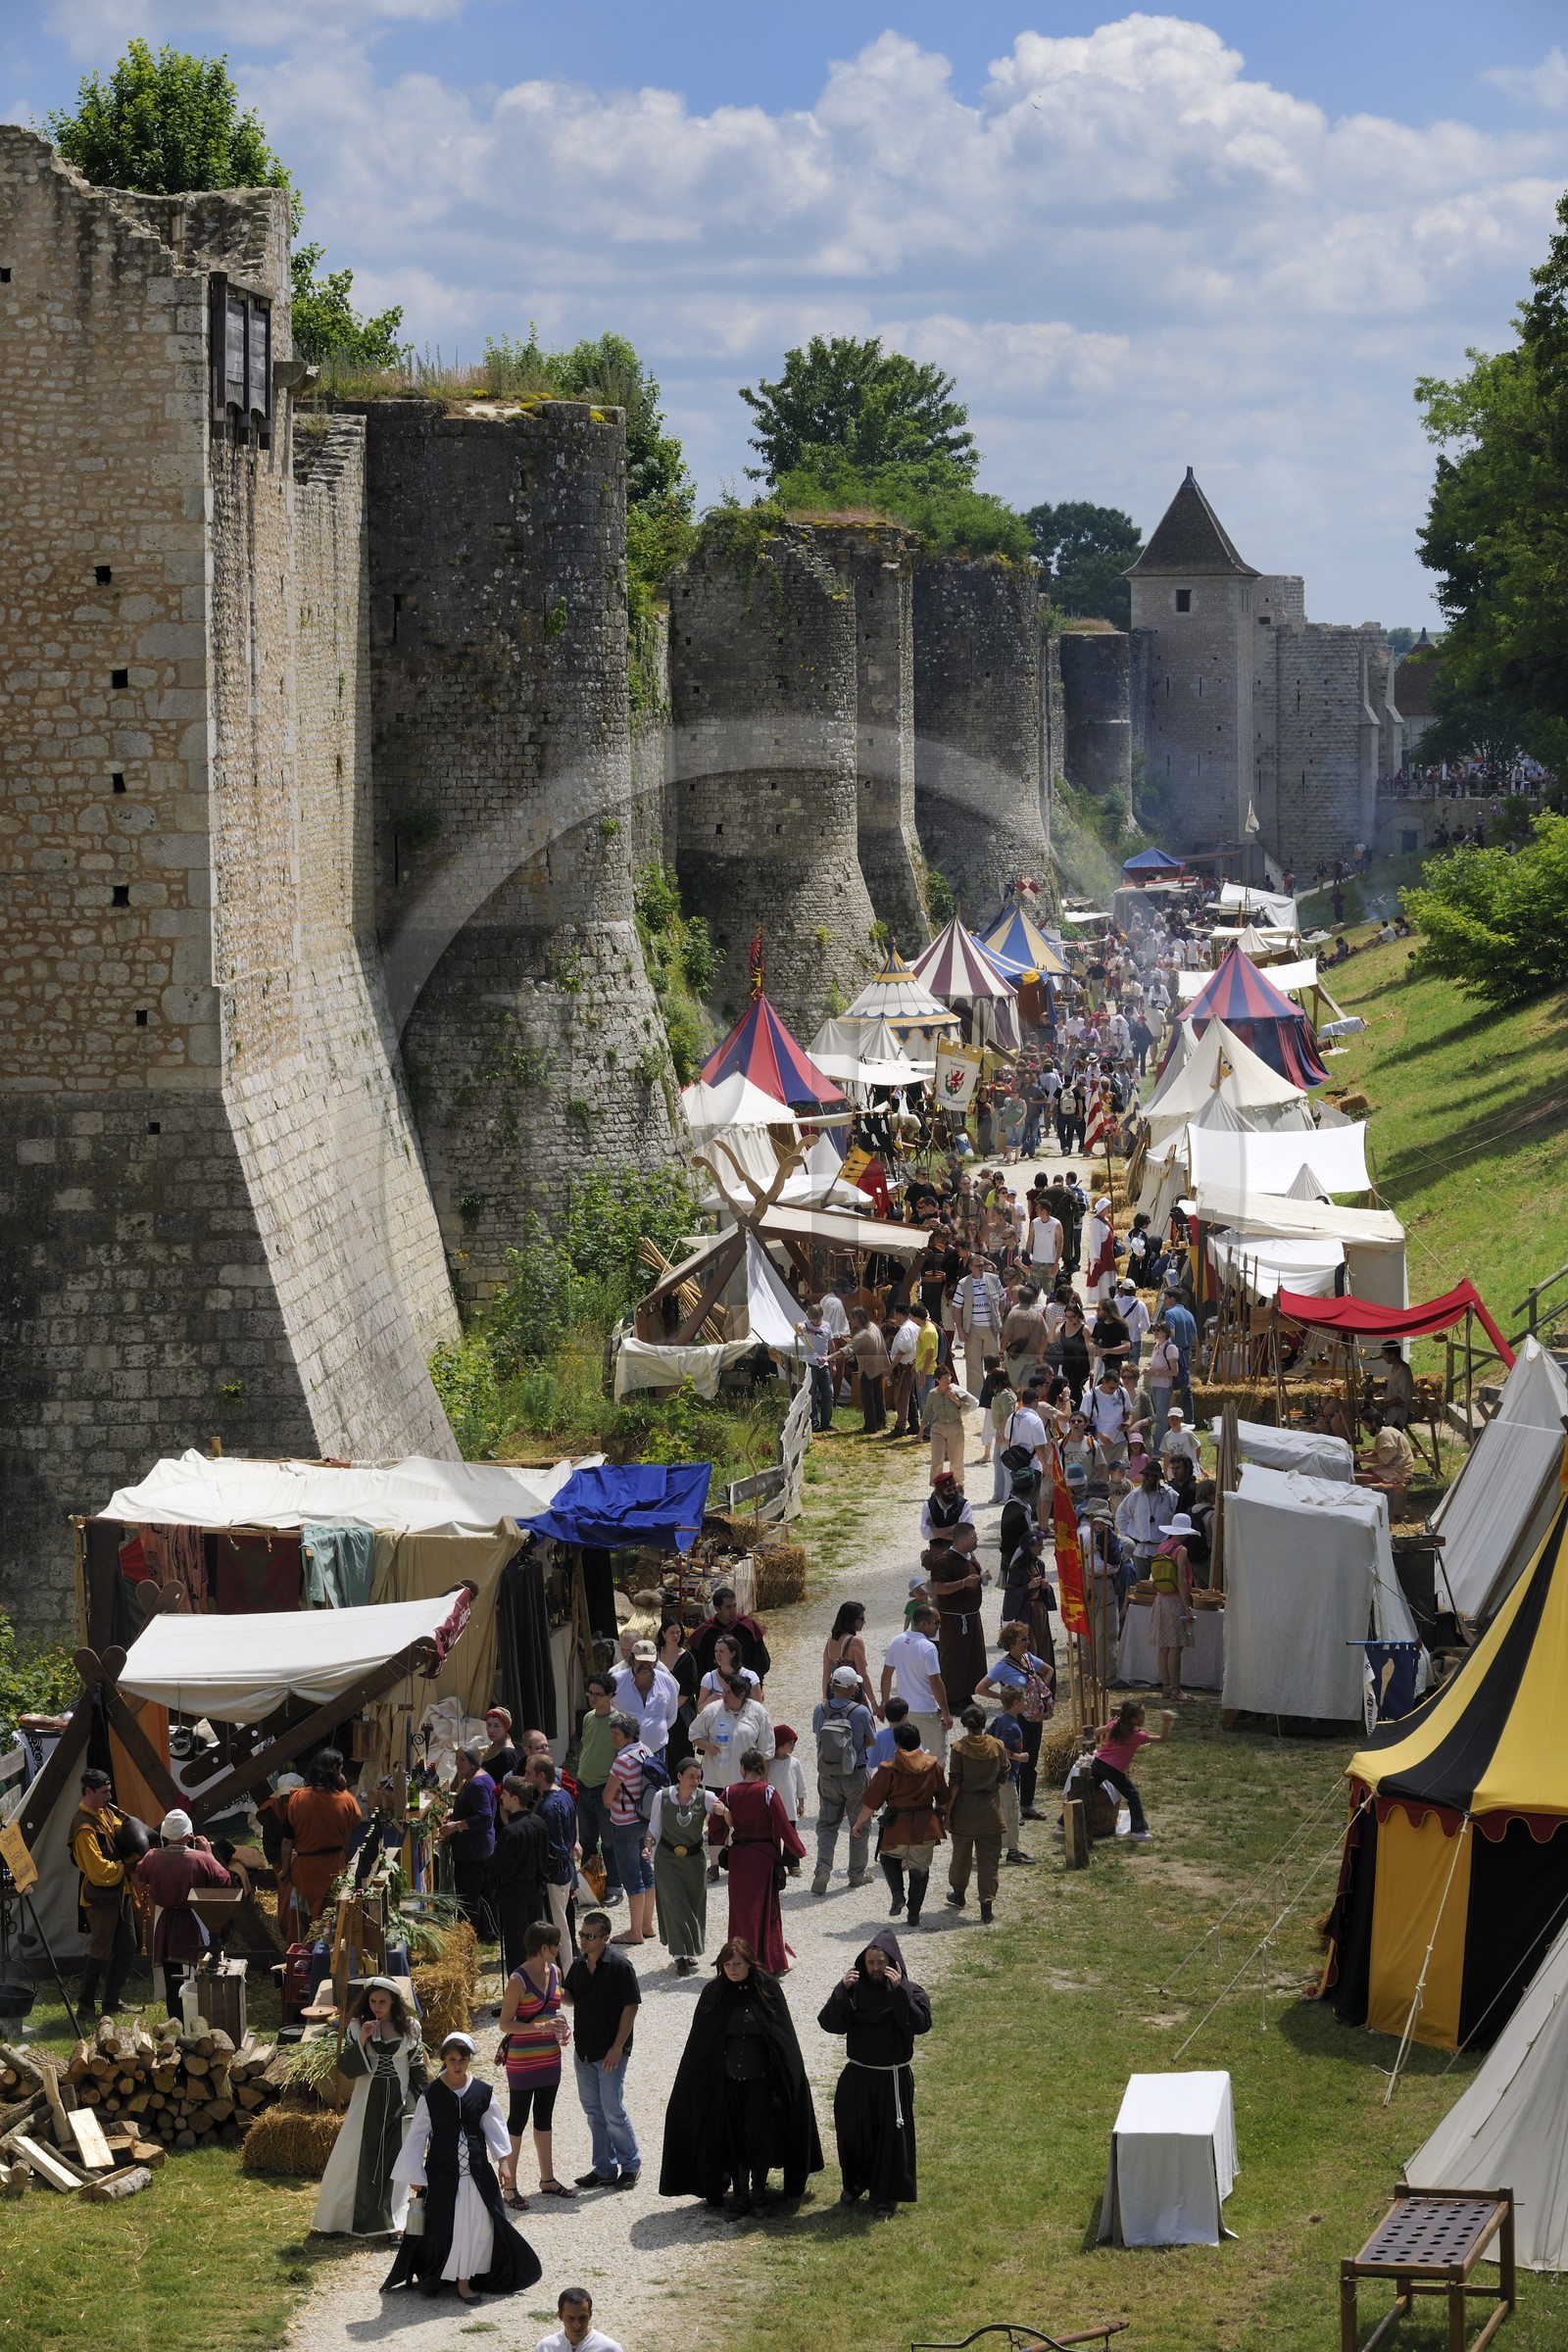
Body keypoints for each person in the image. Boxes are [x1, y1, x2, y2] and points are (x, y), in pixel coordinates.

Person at [659, 1936, 824, 2216]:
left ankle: (759, 2192)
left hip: (761, 2082)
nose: (732, 1969)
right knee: (732, 2139)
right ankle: (741, 2195)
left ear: (749, 1963)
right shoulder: (714, 1992)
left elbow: (783, 2038)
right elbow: (702, 2043)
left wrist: (787, 2080)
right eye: (727, 1964)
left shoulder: (768, 1990)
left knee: (758, 2137)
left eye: (737, 1964)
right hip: (726, 2083)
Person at [384, 2032, 542, 2301]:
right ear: (444, 2059)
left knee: (480, 2227)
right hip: (443, 2176)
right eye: (452, 2059)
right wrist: (414, 2173)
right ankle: (441, 2275)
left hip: (477, 2176)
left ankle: (465, 2280)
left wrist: (504, 2163)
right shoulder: (431, 2095)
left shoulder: (482, 2092)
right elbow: (417, 2136)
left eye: (463, 2060)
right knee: (445, 2228)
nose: (457, 2065)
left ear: (469, 2060)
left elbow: (496, 2130)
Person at [817, 1929, 932, 2218]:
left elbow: (919, 2025)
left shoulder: (911, 1991)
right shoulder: (853, 1990)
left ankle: (885, 2197)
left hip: (891, 2078)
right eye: (871, 1963)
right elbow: (830, 2024)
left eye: (881, 1962)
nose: (876, 1968)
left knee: (889, 2139)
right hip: (858, 2076)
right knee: (853, 2134)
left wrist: (900, 1995)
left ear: (893, 1963)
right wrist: (840, 1991)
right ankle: (856, 2184)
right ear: (863, 1964)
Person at [314, 1977, 427, 2235]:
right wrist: (363, 2039)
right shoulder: (357, 2026)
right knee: (354, 2154)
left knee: (396, 2157)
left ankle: (393, 2223)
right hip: (367, 2099)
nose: (378, 2006)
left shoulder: (411, 2027)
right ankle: (342, 2219)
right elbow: (347, 2068)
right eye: (374, 2001)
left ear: (393, 2003)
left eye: (383, 2002)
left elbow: (417, 2066)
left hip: (399, 2099)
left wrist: (426, 2101)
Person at [498, 1920, 574, 2209]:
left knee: (544, 2118)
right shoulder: (517, 1980)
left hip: (550, 2057)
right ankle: (510, 2187)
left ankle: (547, 2179)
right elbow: (505, 2024)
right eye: (556, 1945)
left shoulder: (554, 1972)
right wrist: (542, 2028)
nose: (560, 1948)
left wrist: (561, 2029)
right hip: (522, 2061)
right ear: (544, 1948)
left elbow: (555, 2010)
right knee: (517, 2120)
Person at [563, 1911, 642, 2189]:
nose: (583, 1940)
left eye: (589, 1936)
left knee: (612, 2109)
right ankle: (604, 2167)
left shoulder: (620, 1967)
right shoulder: (579, 1966)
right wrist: (551, 1987)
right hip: (583, 2051)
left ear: (605, 1938)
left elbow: (631, 2006)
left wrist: (617, 2047)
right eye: (581, 1935)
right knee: (594, 2111)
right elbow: (571, 1998)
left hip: (610, 2051)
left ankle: (631, 2165)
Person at [135, 1807, 231, 2016]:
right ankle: (196, 2019)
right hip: (193, 1919)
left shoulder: (152, 1857)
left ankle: (176, 2020)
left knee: (172, 1976)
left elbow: (141, 1871)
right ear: (189, 1835)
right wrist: (208, 1854)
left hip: (165, 1922)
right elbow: (224, 1880)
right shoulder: (200, 1859)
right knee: (197, 1973)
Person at [852, 1721, 948, 1928]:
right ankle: (914, 1914)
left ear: (897, 1745)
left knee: (887, 1856)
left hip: (897, 1827)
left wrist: (858, 1823)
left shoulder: (888, 1769)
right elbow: (944, 1797)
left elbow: (871, 1803)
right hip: (925, 1826)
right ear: (918, 1742)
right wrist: (942, 1817)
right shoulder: (933, 1765)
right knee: (920, 1869)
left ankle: (897, 1895)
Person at [723, 1747, 805, 1974]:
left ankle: (738, 1960)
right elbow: (781, 1823)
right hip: (762, 1857)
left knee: (741, 1911)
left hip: (739, 1857)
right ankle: (767, 1960)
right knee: (765, 1909)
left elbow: (716, 1826)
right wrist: (797, 1850)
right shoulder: (768, 1791)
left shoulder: (729, 1792)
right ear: (761, 1768)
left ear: (742, 1768)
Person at [69, 1767, 140, 2018]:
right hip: (100, 1898)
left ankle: (111, 2001)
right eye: (104, 1792)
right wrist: (127, 1866)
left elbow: (124, 1838)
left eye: (109, 1791)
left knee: (127, 1945)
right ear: (88, 1792)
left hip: (120, 1894)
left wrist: (138, 1839)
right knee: (100, 1950)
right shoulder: (83, 1826)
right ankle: (85, 2006)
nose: (109, 1796)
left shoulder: (106, 1813)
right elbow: (99, 1871)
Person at [693, 1675, 775, 1883]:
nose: (723, 1695)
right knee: (715, 1822)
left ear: (741, 1694)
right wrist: (708, 1746)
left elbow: (767, 1748)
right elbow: (694, 1733)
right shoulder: (713, 1710)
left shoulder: (758, 1711)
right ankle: (713, 1866)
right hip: (715, 1777)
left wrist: (762, 1780)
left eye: (729, 1692)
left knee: (743, 1821)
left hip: (746, 1780)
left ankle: (739, 1861)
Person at [649, 1756, 725, 1975]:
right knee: (675, 1904)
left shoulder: (706, 1797)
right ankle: (679, 1956)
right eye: (691, 1776)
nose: (695, 1781)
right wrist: (647, 1845)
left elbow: (726, 1812)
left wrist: (724, 1813)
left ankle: (688, 1951)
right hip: (667, 1859)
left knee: (693, 1905)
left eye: (698, 1777)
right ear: (679, 1776)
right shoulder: (661, 1797)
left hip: (694, 1860)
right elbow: (654, 1828)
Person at [279, 1748, 363, 1939]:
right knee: (331, 1920)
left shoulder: (297, 1798)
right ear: (336, 1769)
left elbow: (287, 1841)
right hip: (334, 1867)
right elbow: (356, 1819)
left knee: (304, 1921)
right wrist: (345, 1788)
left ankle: (303, 1954)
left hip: (305, 1870)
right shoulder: (346, 1799)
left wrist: (285, 1869)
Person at [974, 1622, 1054, 1821]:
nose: (1027, 1642)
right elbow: (980, 1688)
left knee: (1032, 1760)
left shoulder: (1028, 1659)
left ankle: (1028, 1804)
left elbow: (1049, 1670)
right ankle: (1014, 1809)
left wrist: (1042, 1696)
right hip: (1017, 1718)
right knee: (1015, 1762)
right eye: (1023, 1639)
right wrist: (1002, 1697)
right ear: (1011, 1643)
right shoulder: (1002, 1666)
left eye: (1027, 1638)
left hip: (1034, 1716)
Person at [810, 1664, 875, 1895]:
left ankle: (823, 1868)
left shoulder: (820, 1710)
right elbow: (871, 1741)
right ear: (850, 1688)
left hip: (827, 1774)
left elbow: (819, 1737)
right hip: (855, 1774)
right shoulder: (860, 1712)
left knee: (827, 1825)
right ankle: (856, 1874)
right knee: (859, 1825)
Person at [943, 1706, 1009, 1924]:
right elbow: (1004, 1773)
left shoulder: (959, 1748)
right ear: (983, 1723)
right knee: (989, 1860)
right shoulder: (998, 1746)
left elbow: (955, 1782)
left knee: (961, 1855)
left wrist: (947, 1811)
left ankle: (959, 1894)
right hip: (990, 1811)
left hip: (964, 1810)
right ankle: (986, 1906)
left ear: (965, 1724)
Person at [488, 1776, 550, 1977]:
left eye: (505, 1794)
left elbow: (498, 1868)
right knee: (534, 1943)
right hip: (534, 1889)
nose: (502, 1798)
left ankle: (520, 1997)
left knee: (516, 1948)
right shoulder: (538, 1822)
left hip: (514, 1895)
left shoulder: (510, 1832)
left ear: (515, 1799)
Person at [605, 1714, 658, 1947]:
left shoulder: (622, 1760)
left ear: (629, 1735)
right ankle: (647, 1925)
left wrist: (610, 1798)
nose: (613, 1738)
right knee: (646, 1873)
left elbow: (607, 1796)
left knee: (632, 1879)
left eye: (617, 1734)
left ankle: (635, 1932)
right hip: (644, 1820)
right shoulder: (646, 1750)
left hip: (624, 1824)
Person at [574, 1673, 622, 1907]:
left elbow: (623, 1758)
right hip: (585, 1786)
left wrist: (614, 1790)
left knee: (610, 1841)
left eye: (598, 1694)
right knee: (587, 1839)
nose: (592, 1698)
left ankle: (614, 1886)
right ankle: (590, 1888)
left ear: (610, 1695)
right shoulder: (588, 1718)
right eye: (589, 1693)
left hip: (606, 1788)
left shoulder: (619, 1721)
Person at [1090, 1699, 1170, 1840]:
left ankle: (1063, 1823)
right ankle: (1138, 1831)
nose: (1144, 1718)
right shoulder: (1137, 1736)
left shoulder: (1115, 1725)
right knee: (1133, 1795)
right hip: (1113, 1768)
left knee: (1087, 1791)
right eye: (1143, 1716)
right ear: (1134, 1719)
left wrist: (1110, 1723)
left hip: (1098, 1762)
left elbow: (1096, 1731)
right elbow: (1162, 1739)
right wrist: (1167, 1722)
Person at [881, 1603, 953, 1760]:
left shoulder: (896, 1641)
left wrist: (885, 1703)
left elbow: (886, 1674)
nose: (939, 1627)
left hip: (904, 1712)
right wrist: (946, 1712)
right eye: (936, 1622)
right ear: (923, 1623)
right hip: (926, 1711)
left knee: (907, 1755)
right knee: (936, 1755)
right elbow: (936, 1682)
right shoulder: (928, 1647)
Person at [923, 1539, 988, 1711]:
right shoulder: (945, 1560)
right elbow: (939, 1588)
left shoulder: (969, 1557)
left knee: (971, 1657)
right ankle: (951, 1699)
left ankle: (965, 1695)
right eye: (973, 1537)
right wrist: (964, 1583)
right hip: (954, 1618)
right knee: (954, 1659)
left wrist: (981, 1577)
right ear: (962, 1540)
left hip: (971, 1616)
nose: (976, 1540)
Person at [524, 1754, 578, 1954]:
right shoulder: (563, 1795)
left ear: (541, 1775)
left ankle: (566, 1976)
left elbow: (558, 1850)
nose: (525, 1776)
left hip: (554, 1877)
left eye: (529, 1773)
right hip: (560, 1874)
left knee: (557, 1930)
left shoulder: (551, 1805)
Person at [440, 1748, 498, 1936]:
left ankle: (472, 1934)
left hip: (474, 1849)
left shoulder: (477, 1785)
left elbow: (484, 1817)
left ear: (473, 1763)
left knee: (470, 1894)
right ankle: (487, 1931)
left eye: (461, 1759)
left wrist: (456, 1825)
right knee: (481, 1892)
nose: (457, 1763)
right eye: (456, 1758)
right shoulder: (480, 1779)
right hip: (480, 1846)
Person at [987, 1685, 1035, 1863]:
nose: (1026, 1702)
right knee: (1012, 1813)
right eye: (1023, 1700)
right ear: (1015, 1703)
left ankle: (996, 1848)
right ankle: (1013, 1853)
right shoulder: (1013, 1728)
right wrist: (1020, 1757)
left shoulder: (1000, 1719)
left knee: (999, 1813)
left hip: (995, 1776)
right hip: (1007, 1777)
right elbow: (1003, 1749)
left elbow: (988, 1738)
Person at [611, 1642, 681, 1758]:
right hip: (624, 1752)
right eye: (641, 1661)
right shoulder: (616, 1682)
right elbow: (607, 1711)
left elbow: (671, 1716)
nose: (645, 1665)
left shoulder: (667, 1682)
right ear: (632, 1660)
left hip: (656, 1753)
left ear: (655, 1661)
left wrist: (654, 1730)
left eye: (649, 1661)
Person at [690, 1586, 771, 1684]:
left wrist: (755, 1684)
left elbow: (762, 1662)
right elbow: (697, 1668)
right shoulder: (705, 1632)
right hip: (715, 1689)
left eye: (734, 1605)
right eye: (728, 1607)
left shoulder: (747, 1626)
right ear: (717, 1609)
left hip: (745, 1685)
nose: (733, 1610)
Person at [839, 1306, 891, 1433]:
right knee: (878, 1396)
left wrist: (828, 1357)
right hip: (878, 1366)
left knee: (868, 1399)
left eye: (852, 1318)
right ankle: (881, 1422)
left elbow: (846, 1350)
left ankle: (870, 1426)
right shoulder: (873, 1326)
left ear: (858, 1318)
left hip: (867, 1369)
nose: (850, 1321)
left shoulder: (863, 1335)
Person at [821, 1600, 874, 1710]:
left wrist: (825, 1698)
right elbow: (863, 1675)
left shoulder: (830, 1641)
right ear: (851, 1619)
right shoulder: (855, 1641)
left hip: (833, 1695)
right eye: (862, 1618)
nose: (864, 1622)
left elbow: (826, 1674)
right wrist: (874, 1703)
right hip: (852, 1695)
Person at [767, 1725, 808, 1870]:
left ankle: (792, 1864)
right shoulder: (769, 1763)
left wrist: (801, 1803)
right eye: (790, 1743)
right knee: (773, 1835)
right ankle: (775, 1862)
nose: (793, 1746)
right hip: (773, 1807)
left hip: (790, 1806)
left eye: (794, 1743)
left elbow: (800, 1784)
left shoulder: (795, 1763)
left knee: (791, 1835)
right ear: (779, 1744)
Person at [535, 2287, 622, 2352]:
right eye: (571, 2318)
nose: (577, 2325)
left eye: (582, 2318)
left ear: (590, 2315)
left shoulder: (610, 2348)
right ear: (560, 2316)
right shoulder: (545, 2348)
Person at [921, 1361, 966, 1484]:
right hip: (938, 1428)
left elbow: (966, 1407)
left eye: (949, 1377)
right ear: (937, 1380)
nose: (948, 1380)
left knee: (956, 1460)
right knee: (937, 1460)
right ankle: (937, 1486)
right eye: (944, 1378)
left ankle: (959, 1484)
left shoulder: (956, 1391)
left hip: (955, 1426)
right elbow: (927, 1413)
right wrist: (921, 1432)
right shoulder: (932, 1394)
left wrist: (956, 1399)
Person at [797, 1303, 836, 1431]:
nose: (815, 1321)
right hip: (810, 1364)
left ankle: (826, 1423)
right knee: (811, 1395)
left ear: (821, 1317)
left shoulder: (827, 1326)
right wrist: (801, 1327)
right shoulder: (807, 1324)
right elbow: (799, 1326)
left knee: (828, 1394)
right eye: (813, 1319)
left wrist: (832, 1361)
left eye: (817, 1319)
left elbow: (831, 1343)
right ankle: (814, 1423)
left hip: (823, 1364)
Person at [887, 1304, 920, 1439]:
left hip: (905, 1367)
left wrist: (890, 1367)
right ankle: (914, 1424)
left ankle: (900, 1426)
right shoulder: (914, 1327)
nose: (894, 1317)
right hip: (911, 1364)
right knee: (909, 1396)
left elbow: (902, 1351)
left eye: (895, 1315)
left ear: (900, 1315)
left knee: (901, 1397)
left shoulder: (906, 1329)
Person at [1360, 1422, 1417, 1494]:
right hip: (1390, 1465)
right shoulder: (1381, 1433)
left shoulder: (1387, 1436)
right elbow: (1375, 1452)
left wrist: (1360, 1459)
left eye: (1366, 1425)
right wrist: (1359, 1457)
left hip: (1399, 1469)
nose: (1365, 1429)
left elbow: (1382, 1460)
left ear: (1374, 1423)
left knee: (1365, 1480)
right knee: (1365, 1472)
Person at [1377, 1342, 1416, 1430]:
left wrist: (1385, 1404)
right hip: (1391, 1412)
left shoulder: (1403, 1370)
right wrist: (1382, 1386)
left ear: (1392, 1355)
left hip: (1398, 1414)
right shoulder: (1395, 1368)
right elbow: (1395, 1387)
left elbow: (1404, 1397)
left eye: (1384, 1354)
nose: (1382, 1357)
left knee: (1394, 1439)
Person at [479, 1706, 519, 1784]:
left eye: (496, 1726)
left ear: (505, 1728)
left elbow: (509, 1783)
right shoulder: (492, 1747)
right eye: (489, 1725)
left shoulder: (508, 1753)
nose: (491, 1730)